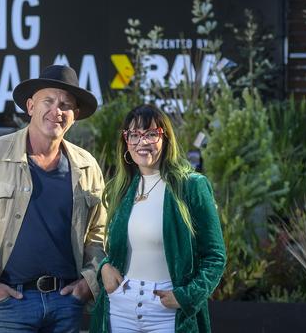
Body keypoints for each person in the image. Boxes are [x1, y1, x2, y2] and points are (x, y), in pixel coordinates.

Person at [0, 65, 106, 333]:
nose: (57, 110)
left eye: (65, 105)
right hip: (10, 304)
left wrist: (88, 283)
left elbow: (100, 231)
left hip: (67, 303)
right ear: (31, 106)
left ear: (74, 116)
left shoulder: (87, 166)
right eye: (49, 101)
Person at [89, 104, 226, 333]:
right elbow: (112, 248)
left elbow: (215, 256)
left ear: (165, 138)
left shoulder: (191, 186)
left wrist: (186, 297)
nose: (142, 142)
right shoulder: (120, 189)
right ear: (126, 141)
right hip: (120, 307)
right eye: (134, 135)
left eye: (151, 134)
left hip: (167, 311)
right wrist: (104, 267)